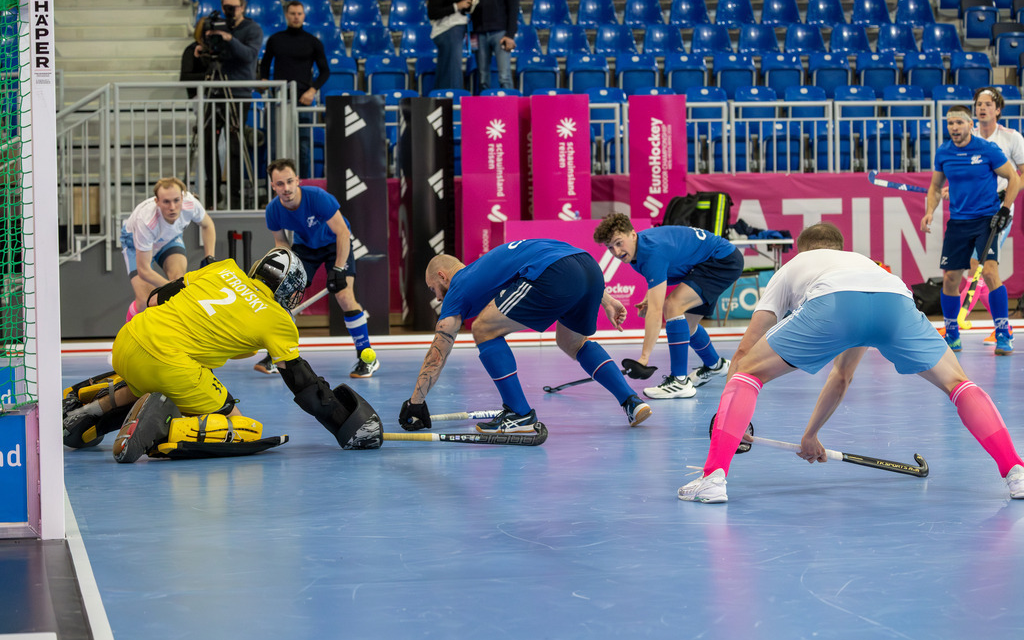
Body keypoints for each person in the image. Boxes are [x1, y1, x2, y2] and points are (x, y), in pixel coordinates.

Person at [678, 222, 1024, 504]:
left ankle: (713, 477)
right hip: (894, 301)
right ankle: (1016, 471)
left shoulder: (793, 267)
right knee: (958, 383)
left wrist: (728, 422)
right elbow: (842, 376)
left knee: (748, 374)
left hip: (832, 303)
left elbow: (744, 352)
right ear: (839, 248)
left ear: (803, 251)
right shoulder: (864, 263)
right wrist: (811, 435)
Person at [61, 247, 383, 461]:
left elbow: (157, 298)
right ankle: (161, 430)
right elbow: (303, 383)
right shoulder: (278, 320)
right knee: (242, 426)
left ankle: (87, 410)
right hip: (168, 363)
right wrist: (345, 423)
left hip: (127, 340)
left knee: (162, 375)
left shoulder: (224, 269)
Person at [397, 240, 652, 435]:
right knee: (572, 342)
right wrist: (605, 298)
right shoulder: (486, 266)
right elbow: (563, 260)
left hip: (555, 272)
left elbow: (439, 351)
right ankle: (631, 400)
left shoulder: (458, 286)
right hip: (588, 267)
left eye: (433, 289)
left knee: (483, 328)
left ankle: (519, 414)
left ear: (442, 276)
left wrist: (416, 402)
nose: (437, 297)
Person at [593, 213, 744, 400]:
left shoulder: (652, 252)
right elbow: (660, 274)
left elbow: (656, 312)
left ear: (632, 235)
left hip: (721, 261)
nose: (616, 252)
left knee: (672, 306)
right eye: (610, 247)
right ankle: (716, 366)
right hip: (704, 262)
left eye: (618, 243)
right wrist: (649, 297)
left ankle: (679, 382)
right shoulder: (638, 248)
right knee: (687, 327)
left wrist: (644, 358)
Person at [257, 158, 378, 378]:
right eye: (280, 184)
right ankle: (278, 356)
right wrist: (287, 273)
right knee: (284, 297)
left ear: (297, 180)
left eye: (289, 181)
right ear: (273, 186)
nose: (286, 188)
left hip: (335, 244)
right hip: (305, 248)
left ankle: (366, 358)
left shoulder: (318, 198)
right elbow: (281, 243)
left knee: (344, 296)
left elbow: (343, 232)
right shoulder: (273, 210)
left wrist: (338, 269)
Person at [922, 105, 1020, 355]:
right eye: (950, 123)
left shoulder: (987, 149)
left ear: (969, 125)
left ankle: (1003, 332)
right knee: (950, 279)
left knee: (989, 272)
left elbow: (1014, 178)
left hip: (986, 220)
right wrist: (930, 211)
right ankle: (952, 333)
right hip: (958, 222)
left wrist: (1005, 209)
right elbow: (935, 187)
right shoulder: (944, 152)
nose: (954, 127)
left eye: (959, 122)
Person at [197, 0, 263, 209]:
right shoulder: (218, 26)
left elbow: (249, 55)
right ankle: (212, 194)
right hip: (215, 90)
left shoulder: (252, 28)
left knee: (235, 145)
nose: (229, 11)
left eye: (233, 7)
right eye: (226, 7)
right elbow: (212, 54)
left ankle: (235, 196)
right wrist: (202, 49)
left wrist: (230, 39)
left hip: (238, 92)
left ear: (242, 7)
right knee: (208, 142)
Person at [121, 177, 216, 322]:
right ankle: (127, 330)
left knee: (178, 278)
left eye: (176, 200)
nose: (172, 207)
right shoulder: (146, 221)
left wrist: (210, 257)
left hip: (169, 239)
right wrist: (174, 289)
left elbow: (207, 225)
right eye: (166, 202)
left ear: (182, 198)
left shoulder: (190, 204)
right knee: (146, 301)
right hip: (135, 243)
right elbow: (144, 270)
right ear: (157, 201)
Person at [259, 0, 329, 177]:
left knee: (303, 148)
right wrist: (264, 80)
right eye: (292, 13)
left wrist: (312, 91)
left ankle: (302, 186)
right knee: (275, 147)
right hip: (279, 99)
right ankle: (275, 187)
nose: (296, 17)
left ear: (304, 16)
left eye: (299, 13)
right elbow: (265, 65)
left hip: (302, 101)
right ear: (286, 15)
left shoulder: (313, 42)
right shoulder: (275, 39)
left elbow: (325, 71)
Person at [469, 0, 517, 92]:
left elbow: (513, 5)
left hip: (501, 33)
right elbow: (473, 5)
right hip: (480, 33)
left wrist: (510, 34)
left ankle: (509, 102)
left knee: (504, 76)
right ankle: (484, 102)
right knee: (482, 78)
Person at [428, 0, 473, 91]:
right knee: (452, 69)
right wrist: (457, 6)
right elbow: (433, 13)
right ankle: (453, 96)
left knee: (447, 68)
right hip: (447, 30)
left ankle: (442, 96)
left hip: (456, 29)